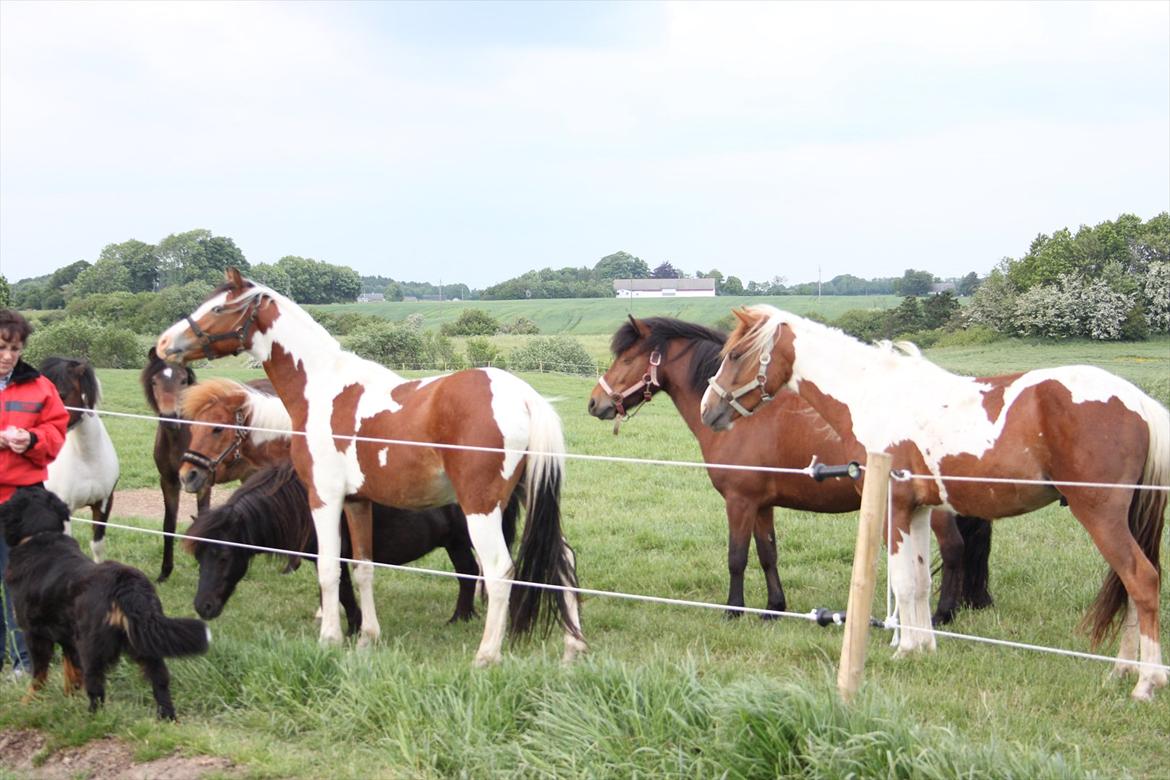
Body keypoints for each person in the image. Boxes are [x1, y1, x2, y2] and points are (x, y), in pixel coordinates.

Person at [0, 308, 68, 680]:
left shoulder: (41, 387)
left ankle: (24, 663)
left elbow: (56, 435)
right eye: (1, 347)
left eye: (15, 347)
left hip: (23, 502)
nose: (8, 355)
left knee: (20, 584)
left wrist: (32, 440)